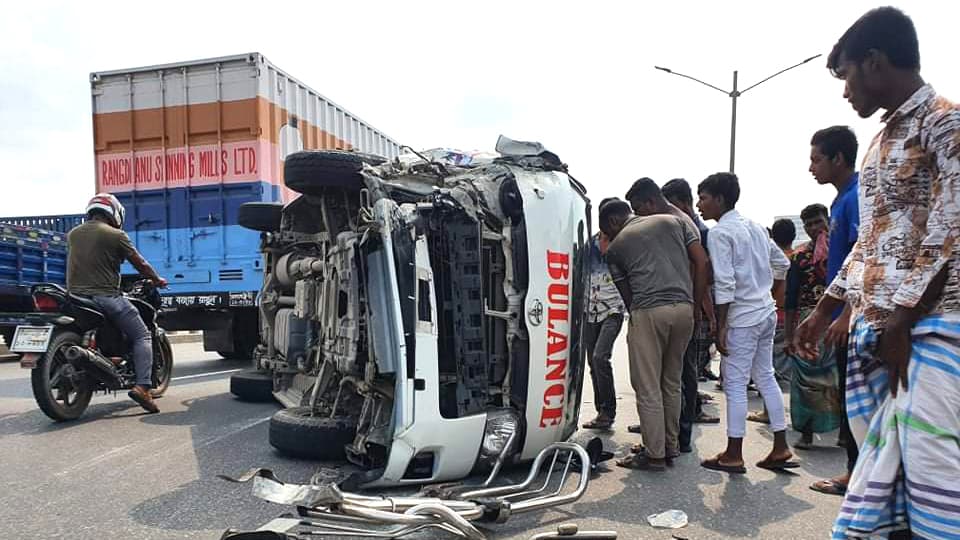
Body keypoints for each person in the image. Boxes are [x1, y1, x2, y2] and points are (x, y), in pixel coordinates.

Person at [794, 8, 960, 538]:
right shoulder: (881, 140)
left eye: (846, 76)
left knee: (936, 478)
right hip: (883, 329)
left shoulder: (945, 121)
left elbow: (951, 224)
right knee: (893, 479)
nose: (845, 92)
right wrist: (825, 309)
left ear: (873, 62)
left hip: (932, 328)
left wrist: (905, 316)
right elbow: (874, 238)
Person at [696, 173, 794, 474]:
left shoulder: (720, 233)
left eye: (704, 197)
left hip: (742, 317)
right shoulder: (755, 227)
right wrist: (769, 293)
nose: (700, 204)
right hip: (764, 312)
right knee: (766, 376)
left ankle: (734, 453)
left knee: (735, 384)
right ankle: (780, 446)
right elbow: (783, 264)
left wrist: (720, 325)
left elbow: (724, 283)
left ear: (720, 199)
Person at [600, 199, 706, 471]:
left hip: (649, 310)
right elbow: (700, 261)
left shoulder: (616, 247)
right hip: (685, 309)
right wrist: (695, 304)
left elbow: (629, 299)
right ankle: (670, 445)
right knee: (671, 382)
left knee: (647, 386)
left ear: (613, 222)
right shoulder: (673, 221)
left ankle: (655, 454)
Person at [625, 178, 719, 456]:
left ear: (651, 203)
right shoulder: (681, 222)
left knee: (668, 378)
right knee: (674, 377)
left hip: (678, 306)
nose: (638, 216)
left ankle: (667, 442)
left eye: (638, 209)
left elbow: (701, 265)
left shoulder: (675, 223)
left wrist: (696, 301)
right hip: (685, 307)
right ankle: (671, 440)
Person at [67, 193, 168, 414]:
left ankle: (109, 358)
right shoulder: (116, 235)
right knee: (142, 335)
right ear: (114, 213)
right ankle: (142, 387)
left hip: (75, 298)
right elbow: (140, 262)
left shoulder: (73, 234)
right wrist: (156, 279)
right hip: (106, 297)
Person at [804, 125, 861, 497]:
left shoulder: (857, 197)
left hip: (854, 316)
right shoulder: (841, 200)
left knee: (857, 404)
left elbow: (863, 258)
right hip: (839, 310)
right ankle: (856, 473)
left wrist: (845, 315)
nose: (811, 168)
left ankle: (858, 478)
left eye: (816, 159)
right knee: (848, 400)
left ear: (838, 159)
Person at [784, 204, 841, 449]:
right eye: (808, 224)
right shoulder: (799, 256)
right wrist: (788, 336)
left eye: (818, 222)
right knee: (804, 379)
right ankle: (806, 432)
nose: (814, 228)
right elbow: (791, 298)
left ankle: (845, 434)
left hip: (839, 320)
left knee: (838, 378)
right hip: (808, 322)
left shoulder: (844, 251)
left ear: (827, 220)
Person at [663, 178, 719, 383]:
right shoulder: (684, 228)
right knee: (686, 359)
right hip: (691, 303)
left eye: (670, 205)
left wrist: (708, 314)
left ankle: (692, 406)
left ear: (684, 203)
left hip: (698, 304)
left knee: (689, 359)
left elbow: (703, 274)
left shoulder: (701, 233)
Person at [581, 198, 625, 430]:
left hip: (613, 309)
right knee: (592, 362)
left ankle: (608, 411)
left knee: (600, 357)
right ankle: (601, 412)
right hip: (590, 309)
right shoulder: (589, 244)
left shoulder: (624, 243)